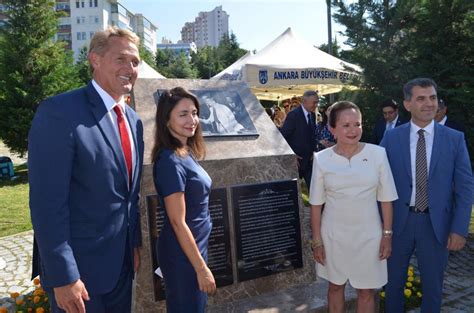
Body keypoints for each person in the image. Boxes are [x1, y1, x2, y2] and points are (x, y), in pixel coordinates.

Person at [28, 26, 144, 313]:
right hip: (79, 275)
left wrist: (134, 243)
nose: (130, 68)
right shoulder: (60, 112)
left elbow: (131, 194)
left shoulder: (133, 120)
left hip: (122, 269)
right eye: (121, 59)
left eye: (135, 62)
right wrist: (64, 275)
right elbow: (47, 204)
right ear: (95, 59)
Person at [381, 78, 473, 313]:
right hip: (398, 224)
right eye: (421, 98)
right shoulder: (391, 139)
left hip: (436, 226)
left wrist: (459, 228)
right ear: (407, 104)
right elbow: (377, 182)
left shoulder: (454, 139)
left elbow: (465, 186)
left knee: (433, 290)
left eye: (432, 97)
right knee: (392, 287)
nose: (429, 103)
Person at [310, 101, 398, 313]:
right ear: (332, 129)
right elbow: (315, 205)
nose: (353, 130)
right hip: (333, 236)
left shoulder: (378, 154)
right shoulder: (321, 159)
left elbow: (386, 199)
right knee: (335, 286)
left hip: (369, 236)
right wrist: (317, 242)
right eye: (346, 125)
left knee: (367, 292)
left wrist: (387, 235)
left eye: (357, 124)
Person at [151, 87, 216, 312]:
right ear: (167, 120)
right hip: (183, 256)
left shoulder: (185, 152)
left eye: (195, 112)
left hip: (194, 248)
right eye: (183, 114)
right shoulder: (170, 161)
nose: (192, 120)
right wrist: (201, 269)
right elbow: (178, 222)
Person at [280, 90, 319, 188]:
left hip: (310, 161)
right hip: (296, 162)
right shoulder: (293, 115)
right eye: (314, 102)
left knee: (315, 190)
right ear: (305, 101)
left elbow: (312, 135)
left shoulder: (312, 115)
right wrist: (291, 155)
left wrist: (314, 151)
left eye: (317, 102)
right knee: (293, 192)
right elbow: (283, 136)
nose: (316, 105)